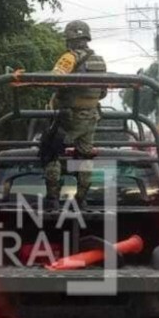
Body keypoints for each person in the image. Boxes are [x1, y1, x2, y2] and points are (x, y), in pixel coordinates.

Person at [43, 20, 107, 210]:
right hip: (91, 117)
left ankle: (52, 198)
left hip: (69, 117)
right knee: (85, 156)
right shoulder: (99, 61)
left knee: (51, 152)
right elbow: (103, 92)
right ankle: (81, 198)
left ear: (69, 39)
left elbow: (53, 80)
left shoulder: (69, 58)